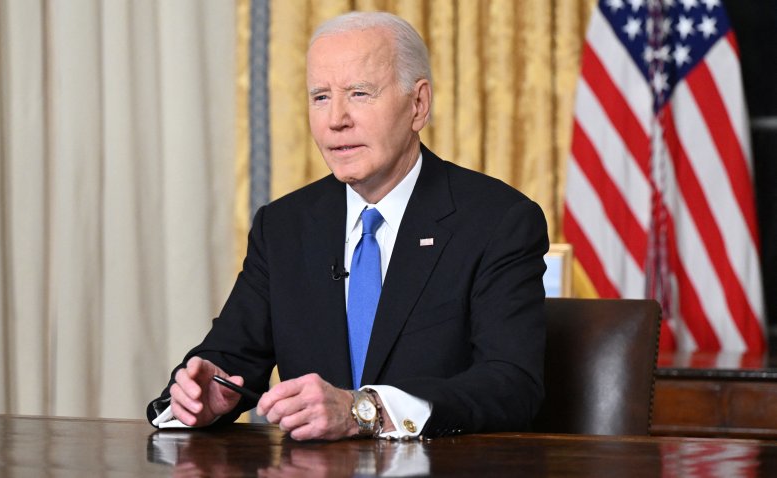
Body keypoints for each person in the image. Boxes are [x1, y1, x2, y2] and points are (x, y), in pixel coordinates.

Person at [147, 11, 548, 441]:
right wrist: (201, 396)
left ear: (418, 105)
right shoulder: (283, 226)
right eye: (320, 97)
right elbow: (228, 357)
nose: (336, 119)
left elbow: (511, 385)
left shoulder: (497, 221)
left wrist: (364, 410)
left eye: (359, 93)